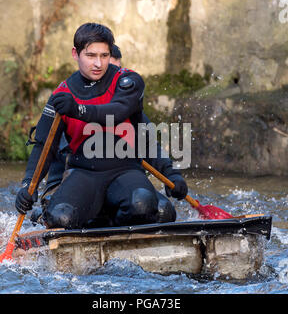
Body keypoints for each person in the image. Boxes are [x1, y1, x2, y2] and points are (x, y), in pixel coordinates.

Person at [16, 23, 188, 229]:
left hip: (125, 170)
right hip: (85, 173)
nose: (98, 63)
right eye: (91, 56)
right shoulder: (62, 95)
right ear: (75, 54)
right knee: (61, 218)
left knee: (145, 205)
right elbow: (44, 146)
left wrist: (171, 173)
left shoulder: (128, 80)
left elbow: (118, 113)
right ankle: (68, 213)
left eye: (104, 56)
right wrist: (28, 186)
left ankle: (108, 219)